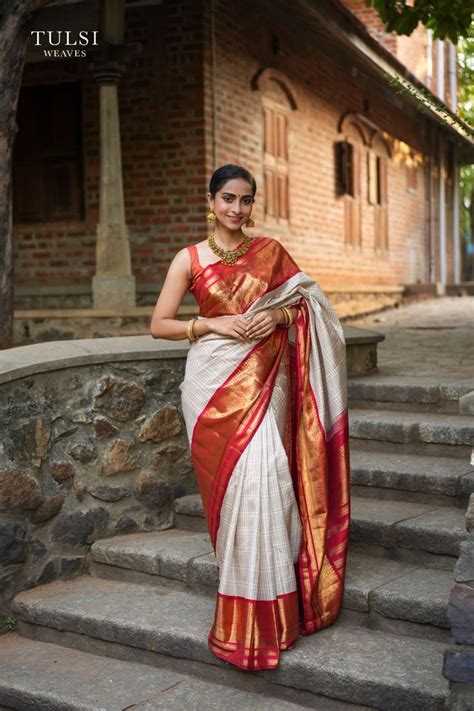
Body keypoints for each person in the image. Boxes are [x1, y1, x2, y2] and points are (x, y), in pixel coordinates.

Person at [150, 163, 350, 671]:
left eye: (245, 200)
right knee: (237, 493)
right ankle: (245, 613)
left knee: (269, 481)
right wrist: (212, 323)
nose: (236, 209)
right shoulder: (189, 258)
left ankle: (274, 613)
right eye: (228, 199)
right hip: (210, 384)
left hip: (265, 381)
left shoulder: (271, 253)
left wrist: (279, 315)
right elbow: (159, 325)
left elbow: (311, 306)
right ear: (211, 200)